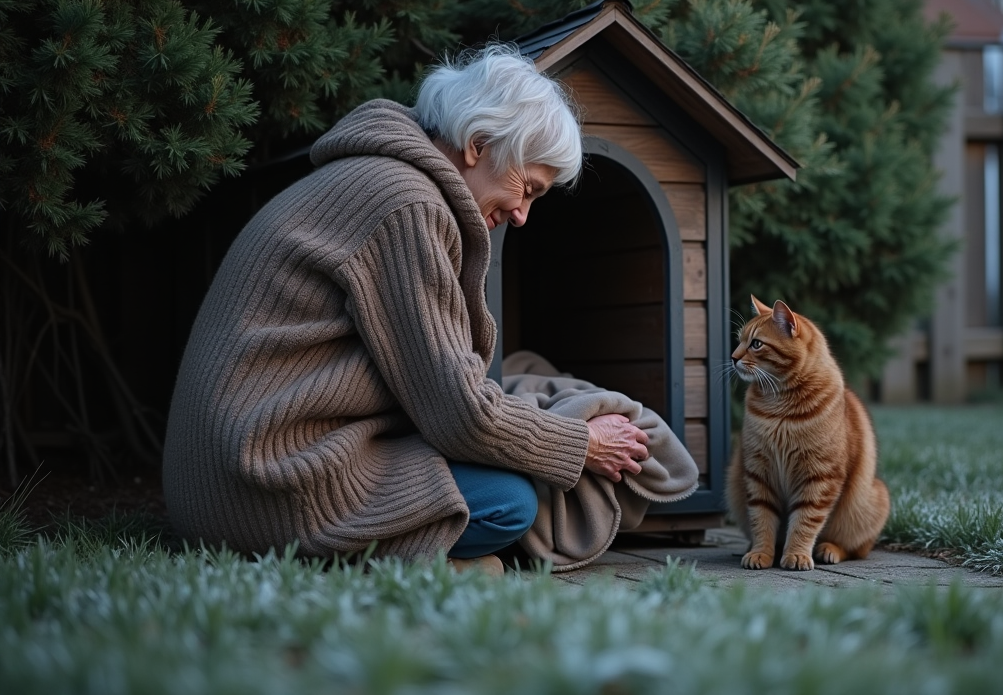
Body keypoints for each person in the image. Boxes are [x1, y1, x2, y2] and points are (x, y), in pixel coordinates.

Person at [162, 44, 650, 573]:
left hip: (219, 478)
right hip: (265, 483)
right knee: (509, 502)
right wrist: (581, 442)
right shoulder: (407, 205)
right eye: (527, 188)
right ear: (478, 144)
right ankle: (422, 566)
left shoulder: (377, 178)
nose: (523, 214)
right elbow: (457, 414)